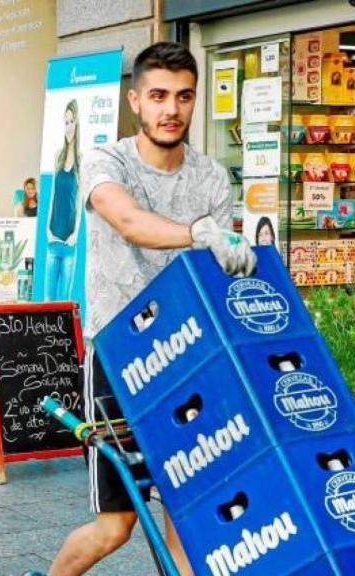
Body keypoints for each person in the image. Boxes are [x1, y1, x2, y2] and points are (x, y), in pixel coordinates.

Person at [35, 42, 256, 576]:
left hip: (191, 361)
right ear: (136, 100)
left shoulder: (210, 178)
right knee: (117, 526)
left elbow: (216, 273)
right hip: (120, 359)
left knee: (190, 513)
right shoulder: (105, 161)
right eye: (158, 95)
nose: (171, 109)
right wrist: (197, 233)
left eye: (183, 96)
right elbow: (129, 221)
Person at [45, 100, 81, 300]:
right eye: (65, 122)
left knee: (64, 302)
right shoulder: (58, 156)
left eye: (71, 121)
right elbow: (53, 196)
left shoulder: (81, 161)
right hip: (53, 238)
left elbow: (80, 202)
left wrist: (75, 234)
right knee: (48, 300)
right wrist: (47, 229)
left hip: (69, 243)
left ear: (77, 123)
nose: (68, 127)